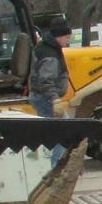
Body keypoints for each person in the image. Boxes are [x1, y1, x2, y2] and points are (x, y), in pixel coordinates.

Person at [29, 21, 71, 163]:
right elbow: (46, 81)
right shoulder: (50, 55)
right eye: (66, 37)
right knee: (63, 132)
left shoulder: (43, 46)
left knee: (54, 132)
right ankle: (55, 167)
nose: (68, 40)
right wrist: (55, 99)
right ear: (58, 37)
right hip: (46, 98)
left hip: (39, 96)